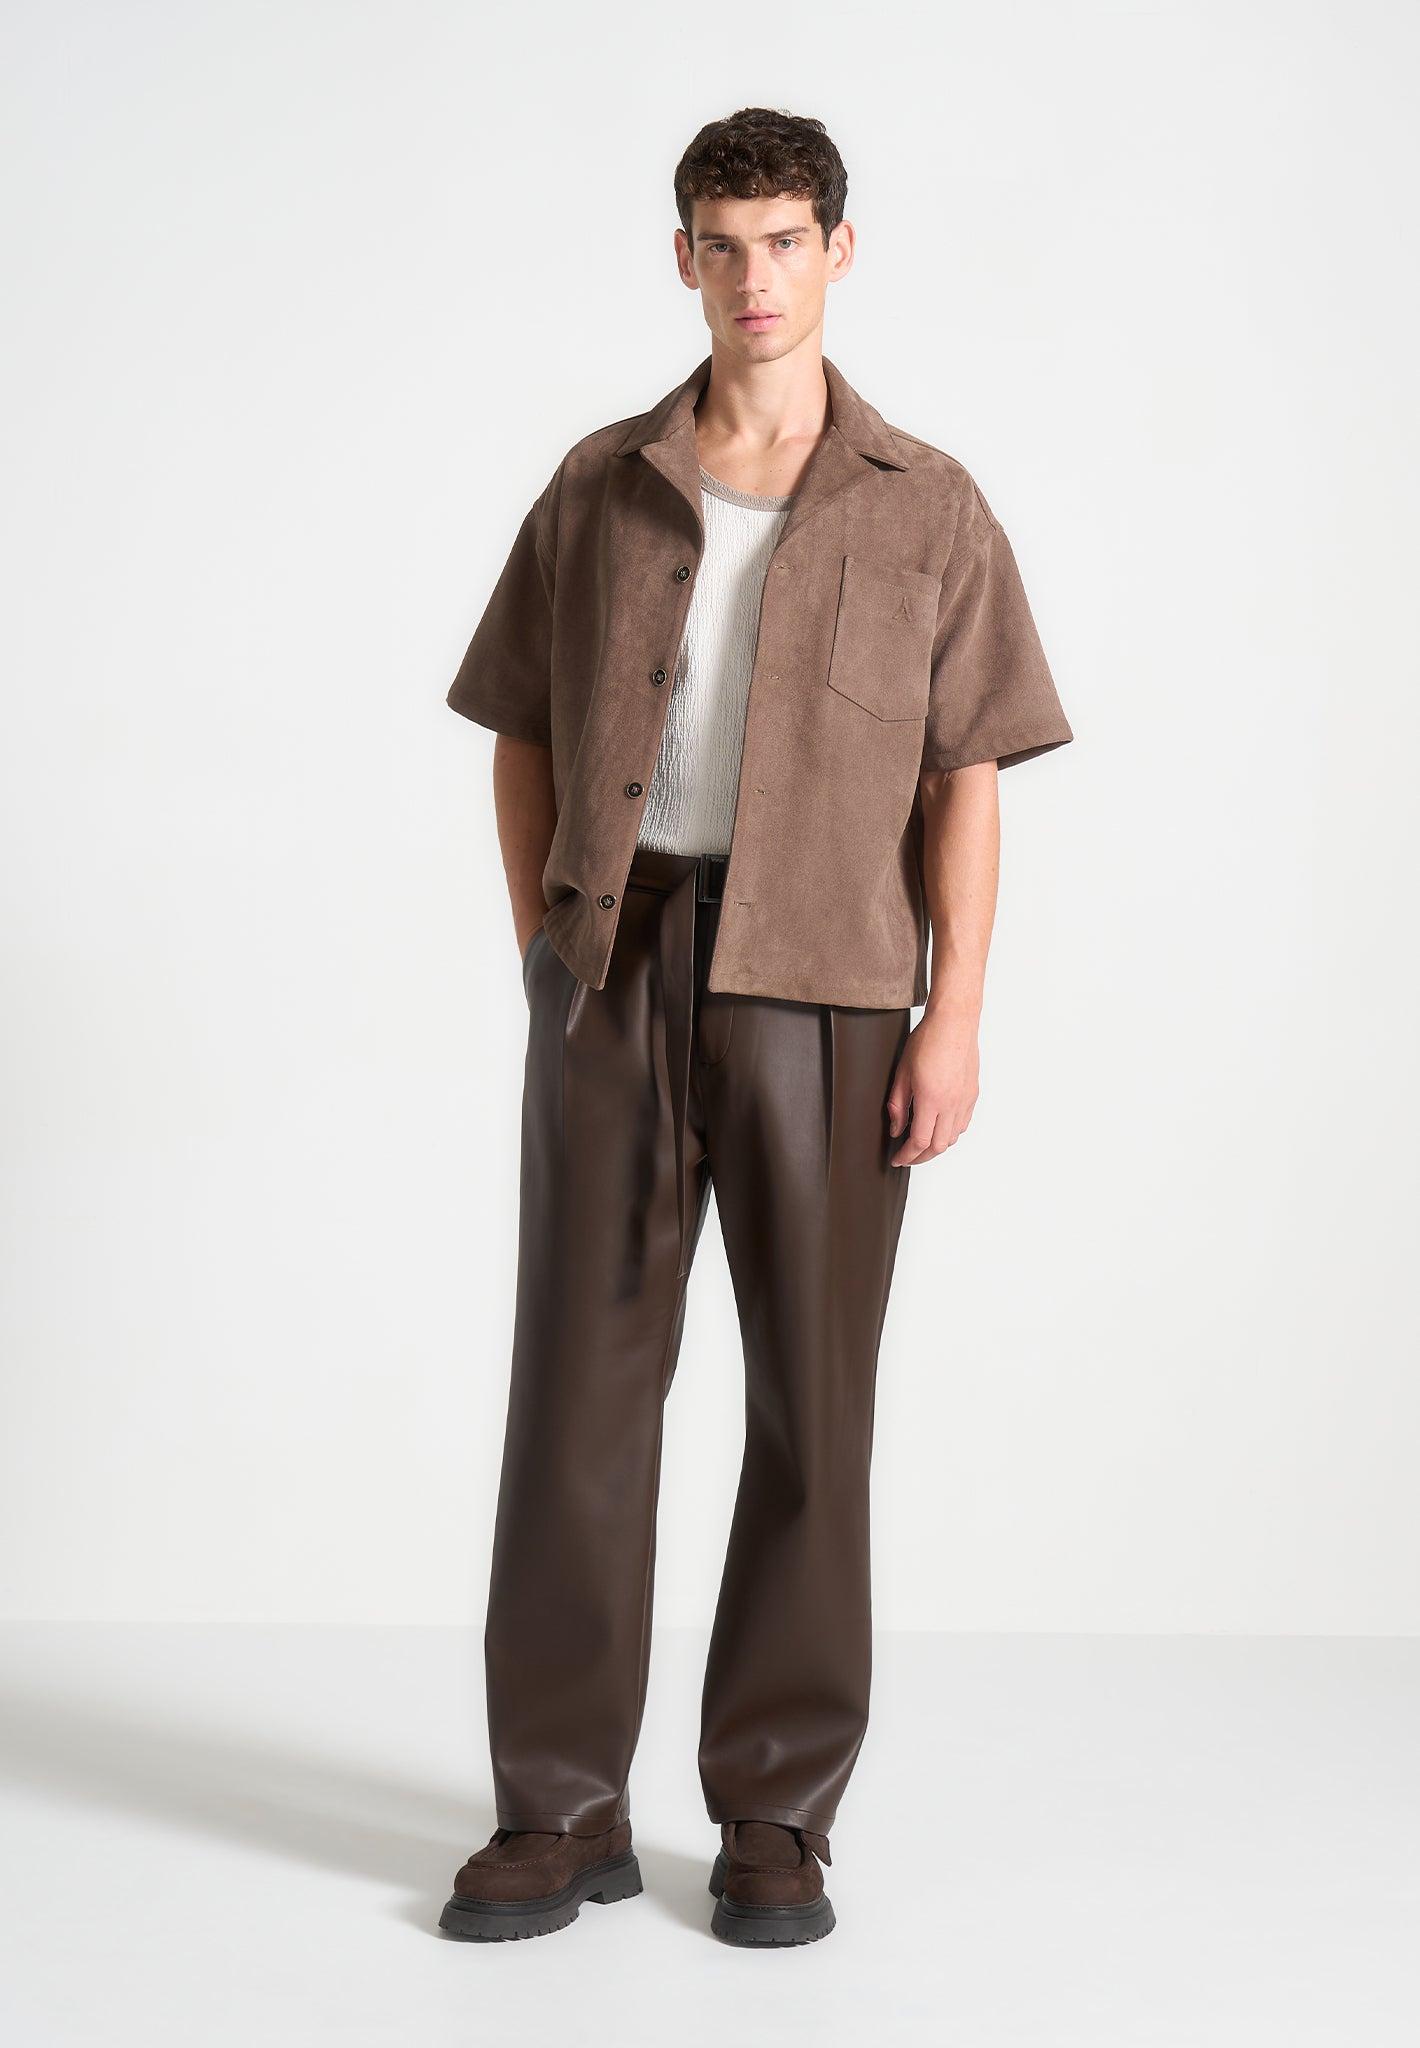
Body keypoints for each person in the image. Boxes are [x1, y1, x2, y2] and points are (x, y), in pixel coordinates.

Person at [437, 105, 1073, 1948]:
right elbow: (519, 727)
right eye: (722, 244)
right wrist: (552, 940)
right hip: (617, 966)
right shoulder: (599, 485)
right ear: (684, 260)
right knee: (576, 1393)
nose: (754, 277)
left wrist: (955, 1016)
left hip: (833, 989)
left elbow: (964, 777)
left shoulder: (925, 502)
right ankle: (558, 1806)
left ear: (838, 251)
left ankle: (777, 1813)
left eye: (785, 240)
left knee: (813, 1404)